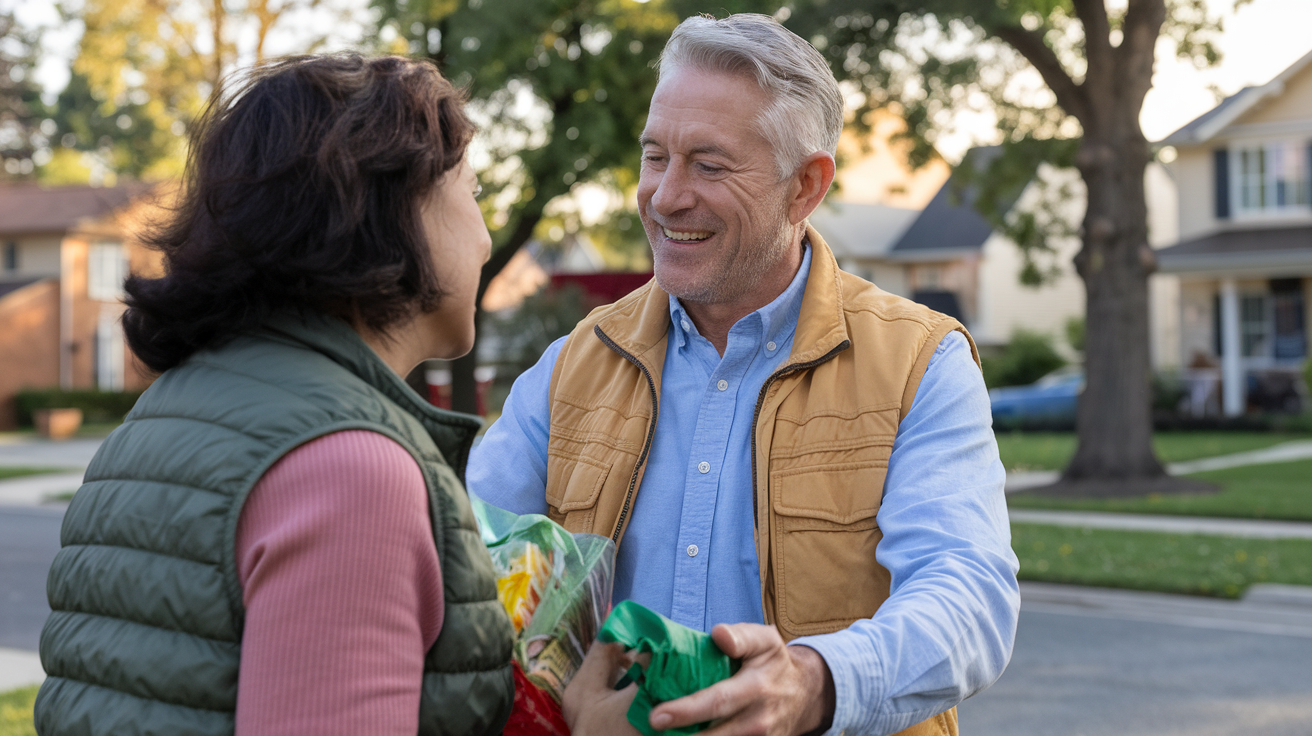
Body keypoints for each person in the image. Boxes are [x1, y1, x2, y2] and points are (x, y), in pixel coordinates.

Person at [470, 13, 1020, 736]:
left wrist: (812, 683)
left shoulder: (921, 362)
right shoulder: (574, 362)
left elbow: (970, 599)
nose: (666, 196)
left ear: (805, 189)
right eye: (655, 156)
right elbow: (461, 565)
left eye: (709, 164)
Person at [35, 53, 516, 736]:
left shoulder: (170, 411)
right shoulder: (350, 469)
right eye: (473, 192)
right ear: (393, 204)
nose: (487, 234)